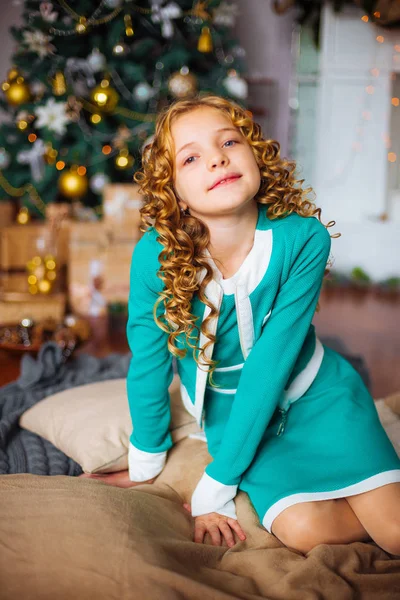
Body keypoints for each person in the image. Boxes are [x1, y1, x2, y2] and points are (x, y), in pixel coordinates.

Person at [81, 94, 400, 556]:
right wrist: (146, 461)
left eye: (229, 141)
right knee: (306, 532)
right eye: (192, 157)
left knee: (394, 531)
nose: (218, 159)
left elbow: (272, 364)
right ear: (174, 194)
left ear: (255, 154)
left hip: (316, 394)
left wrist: (218, 480)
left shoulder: (303, 237)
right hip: (234, 414)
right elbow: (149, 361)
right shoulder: (154, 257)